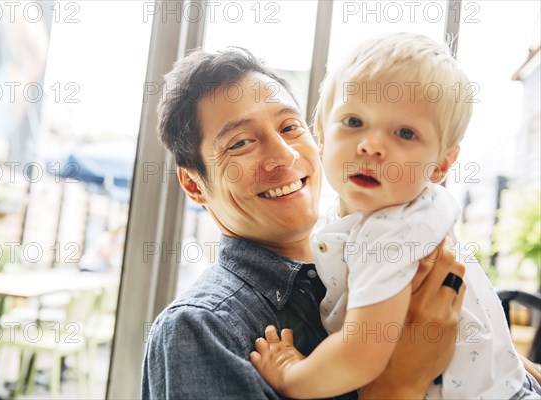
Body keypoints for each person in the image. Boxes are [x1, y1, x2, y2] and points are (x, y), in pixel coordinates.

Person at [141, 46, 468, 399]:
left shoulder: (374, 250)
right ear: (194, 184)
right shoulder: (202, 328)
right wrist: (400, 385)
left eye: (290, 126)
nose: (285, 154)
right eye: (240, 143)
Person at [250, 33, 541, 399]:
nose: (371, 144)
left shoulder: (389, 233)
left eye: (405, 132)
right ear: (322, 136)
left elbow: (361, 355)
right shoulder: (397, 214)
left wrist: (292, 374)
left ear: (441, 165)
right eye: (354, 121)